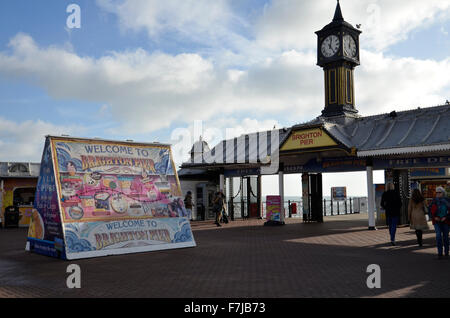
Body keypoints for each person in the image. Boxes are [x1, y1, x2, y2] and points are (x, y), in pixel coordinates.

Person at [429, 186, 450, 260]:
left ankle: (447, 252)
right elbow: (429, 211)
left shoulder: (447, 200)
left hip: (446, 221)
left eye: (439, 192)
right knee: (438, 236)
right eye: (437, 192)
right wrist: (434, 217)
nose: (438, 194)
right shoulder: (434, 201)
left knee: (446, 237)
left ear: (443, 193)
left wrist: (446, 217)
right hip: (437, 221)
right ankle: (440, 253)